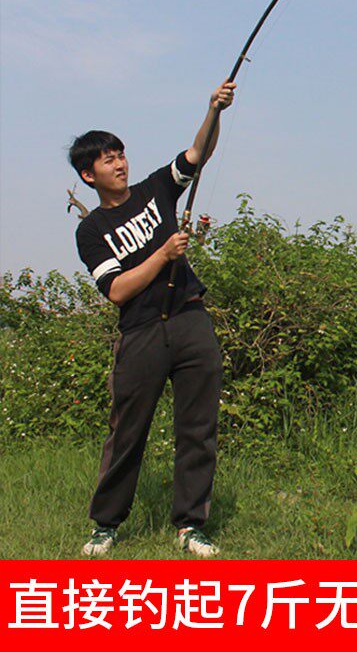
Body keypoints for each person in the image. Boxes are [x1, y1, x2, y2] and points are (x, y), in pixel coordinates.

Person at [69, 81, 236, 557]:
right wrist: (163, 254)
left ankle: (191, 525)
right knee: (127, 432)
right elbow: (117, 290)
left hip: (190, 319)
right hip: (141, 333)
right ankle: (106, 525)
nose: (119, 163)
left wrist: (213, 110)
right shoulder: (91, 230)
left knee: (198, 429)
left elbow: (197, 155)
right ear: (88, 175)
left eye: (121, 154)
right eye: (108, 160)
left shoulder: (155, 189)